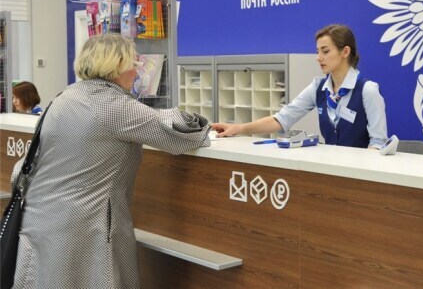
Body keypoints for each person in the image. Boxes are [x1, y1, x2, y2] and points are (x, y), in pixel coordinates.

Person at [12, 34, 211, 289]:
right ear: (116, 65)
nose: (136, 73)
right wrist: (201, 122)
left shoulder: (63, 98)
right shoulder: (111, 105)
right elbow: (177, 133)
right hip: (84, 227)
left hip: (39, 219)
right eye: (133, 64)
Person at [212, 24, 388, 149]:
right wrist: (240, 128)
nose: (318, 58)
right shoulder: (319, 87)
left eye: (325, 51)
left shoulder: (368, 90)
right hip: (331, 171)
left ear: (345, 52)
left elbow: (378, 143)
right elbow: (282, 119)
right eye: (317, 51)